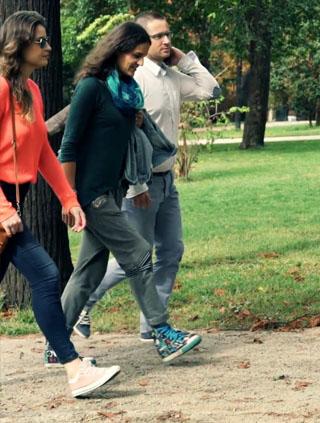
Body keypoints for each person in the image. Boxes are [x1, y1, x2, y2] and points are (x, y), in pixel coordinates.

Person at [44, 21, 201, 366]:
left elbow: (123, 142)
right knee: (140, 253)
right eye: (135, 55)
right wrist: (69, 200)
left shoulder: (126, 91)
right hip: (91, 195)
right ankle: (162, 333)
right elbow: (67, 149)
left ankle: (56, 343)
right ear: (116, 49)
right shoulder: (91, 89)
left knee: (89, 271)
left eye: (142, 57)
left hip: (113, 192)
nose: (139, 62)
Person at [73, 11, 220, 342]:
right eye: (157, 36)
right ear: (137, 43)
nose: (166, 40)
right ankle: (82, 305)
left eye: (169, 34)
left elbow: (210, 90)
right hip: (140, 184)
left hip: (168, 182)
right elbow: (125, 140)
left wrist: (183, 57)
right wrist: (137, 185)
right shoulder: (134, 80)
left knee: (171, 251)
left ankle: (150, 327)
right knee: (133, 259)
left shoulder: (170, 77)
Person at [0, 10, 120, 398]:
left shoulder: (32, 91)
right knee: (47, 276)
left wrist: (68, 197)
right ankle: (72, 367)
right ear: (19, 43)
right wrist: (2, 210)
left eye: (47, 39)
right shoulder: (0, 88)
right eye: (40, 41)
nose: (48, 47)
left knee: (45, 277)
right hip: (2, 201)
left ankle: (71, 365)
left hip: (14, 200)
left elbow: (42, 154)